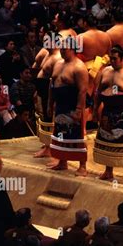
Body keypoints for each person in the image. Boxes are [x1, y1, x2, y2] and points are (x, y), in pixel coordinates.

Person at [93, 45, 123, 186]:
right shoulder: (106, 71)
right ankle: (108, 171)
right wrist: (96, 109)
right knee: (107, 142)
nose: (112, 61)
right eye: (111, 59)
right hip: (107, 111)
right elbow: (98, 91)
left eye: (115, 59)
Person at [49, 35, 89, 176]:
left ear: (73, 49)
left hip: (73, 106)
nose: (61, 51)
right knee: (60, 134)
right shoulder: (58, 63)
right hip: (60, 105)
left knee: (76, 135)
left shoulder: (79, 67)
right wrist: (50, 104)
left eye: (64, 49)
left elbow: (83, 90)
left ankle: (83, 166)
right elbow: (52, 85)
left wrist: (79, 109)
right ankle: (62, 161)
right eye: (61, 48)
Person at [33, 31, 63, 158]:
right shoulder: (47, 53)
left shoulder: (57, 58)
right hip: (42, 90)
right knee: (43, 118)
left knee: (49, 118)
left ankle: (49, 148)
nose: (44, 43)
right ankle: (46, 144)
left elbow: (55, 80)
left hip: (49, 91)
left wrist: (53, 100)